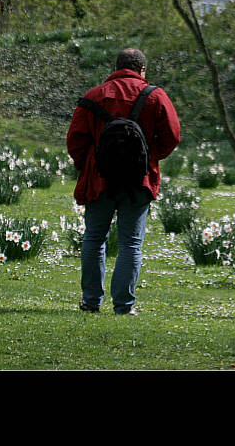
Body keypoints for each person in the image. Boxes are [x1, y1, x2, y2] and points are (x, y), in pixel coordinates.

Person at [67, 47, 181, 315]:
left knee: (94, 238)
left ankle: (91, 301)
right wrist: (151, 158)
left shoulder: (94, 95)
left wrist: (88, 164)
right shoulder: (155, 96)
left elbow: (76, 139)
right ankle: (124, 305)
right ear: (142, 70)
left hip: (99, 179)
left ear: (116, 67)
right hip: (138, 180)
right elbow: (172, 135)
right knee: (131, 242)